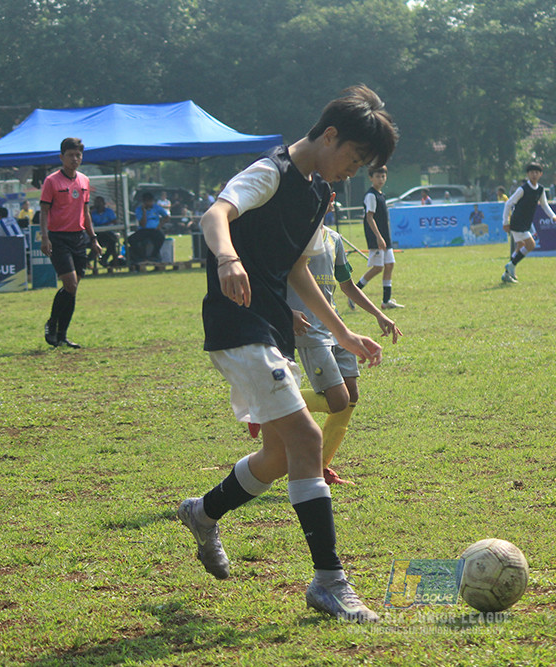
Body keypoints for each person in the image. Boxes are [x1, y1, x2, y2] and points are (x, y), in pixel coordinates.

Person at [176, 84, 397, 624]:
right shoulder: (270, 171)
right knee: (308, 438)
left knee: (278, 458)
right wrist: (228, 260)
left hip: (272, 327)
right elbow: (214, 216)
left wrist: (343, 335)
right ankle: (329, 581)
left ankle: (203, 514)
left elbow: (297, 268)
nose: (354, 168)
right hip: (237, 323)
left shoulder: (318, 193)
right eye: (354, 156)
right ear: (329, 135)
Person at [286, 223, 401, 485]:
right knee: (337, 399)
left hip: (335, 325)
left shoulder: (334, 239)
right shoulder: (293, 235)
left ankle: (320, 469)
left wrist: (379, 314)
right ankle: (272, 404)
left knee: (351, 396)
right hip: (308, 328)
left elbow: (347, 286)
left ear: (331, 200)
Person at [40, 137, 103, 348]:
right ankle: (52, 323)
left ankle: (62, 334)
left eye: (78, 155)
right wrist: (45, 237)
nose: (75, 159)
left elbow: (85, 213)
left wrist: (93, 239)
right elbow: (44, 211)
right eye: (70, 155)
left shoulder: (84, 180)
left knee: (72, 289)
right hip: (58, 238)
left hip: (79, 238)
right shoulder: (51, 181)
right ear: (61, 157)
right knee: (70, 284)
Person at [500, 163, 556, 284]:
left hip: (526, 222)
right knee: (531, 245)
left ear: (540, 174)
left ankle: (507, 273)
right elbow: (508, 203)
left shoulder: (541, 189)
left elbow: (544, 205)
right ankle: (511, 265)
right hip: (518, 221)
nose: (534, 174)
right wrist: (505, 222)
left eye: (537, 172)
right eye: (532, 172)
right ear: (528, 174)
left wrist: (553, 216)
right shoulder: (522, 189)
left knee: (520, 246)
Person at [354, 166, 403, 309]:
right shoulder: (371, 195)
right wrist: (378, 237)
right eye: (377, 176)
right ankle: (355, 293)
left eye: (383, 176)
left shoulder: (381, 194)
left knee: (389, 265)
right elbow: (370, 217)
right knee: (377, 267)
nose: (380, 179)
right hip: (376, 237)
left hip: (384, 237)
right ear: (371, 178)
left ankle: (386, 301)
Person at [128, 192, 168, 263]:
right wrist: (144, 212)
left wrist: (160, 225)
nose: (149, 203)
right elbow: (142, 224)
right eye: (147, 201)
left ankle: (154, 255)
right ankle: (141, 257)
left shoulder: (157, 208)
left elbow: (166, 217)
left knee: (161, 237)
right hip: (144, 230)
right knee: (131, 239)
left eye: (150, 201)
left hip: (155, 229)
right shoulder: (139, 210)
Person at [89, 196, 121, 267]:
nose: (98, 204)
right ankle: (87, 260)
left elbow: (114, 221)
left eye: (100, 202)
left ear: (103, 203)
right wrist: (90, 212)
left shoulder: (109, 211)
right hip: (97, 234)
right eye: (96, 203)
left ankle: (104, 259)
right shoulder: (92, 213)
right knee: (94, 244)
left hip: (108, 233)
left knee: (112, 242)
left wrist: (104, 225)